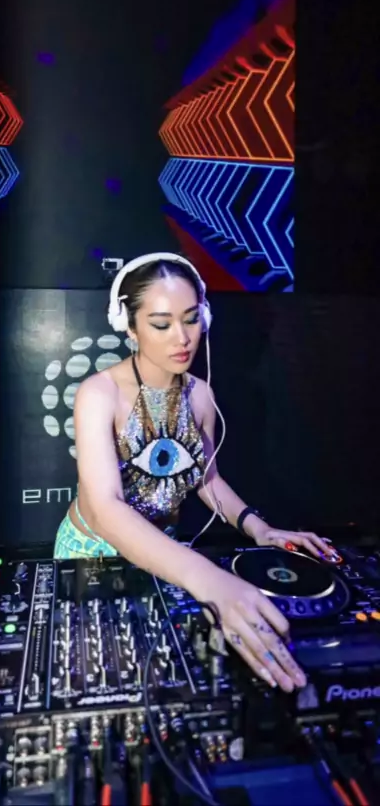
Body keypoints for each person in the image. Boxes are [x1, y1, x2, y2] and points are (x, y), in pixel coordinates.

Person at [54, 253, 335, 693]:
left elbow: (207, 479)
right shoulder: (98, 393)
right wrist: (206, 577)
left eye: (191, 319)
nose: (182, 338)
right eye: (161, 324)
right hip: (93, 554)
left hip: (164, 549)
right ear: (129, 326)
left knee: (163, 676)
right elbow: (105, 507)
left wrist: (258, 528)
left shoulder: (200, 395)